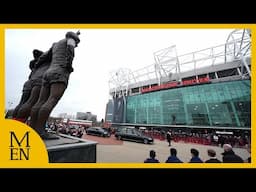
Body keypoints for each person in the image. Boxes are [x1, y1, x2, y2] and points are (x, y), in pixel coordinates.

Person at [29, 31, 81, 140]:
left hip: (47, 74)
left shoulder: (55, 44)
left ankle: (32, 129)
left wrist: (35, 68)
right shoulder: (70, 40)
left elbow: (43, 57)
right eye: (77, 43)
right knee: (52, 100)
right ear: (74, 39)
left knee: (40, 101)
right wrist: (69, 65)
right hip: (59, 73)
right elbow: (70, 50)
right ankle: (41, 131)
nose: (77, 45)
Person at [15, 49, 51, 123]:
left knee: (22, 102)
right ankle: (20, 123)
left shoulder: (35, 65)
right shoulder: (47, 61)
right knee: (32, 102)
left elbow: (35, 51)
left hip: (29, 82)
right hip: (39, 81)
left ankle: (15, 121)